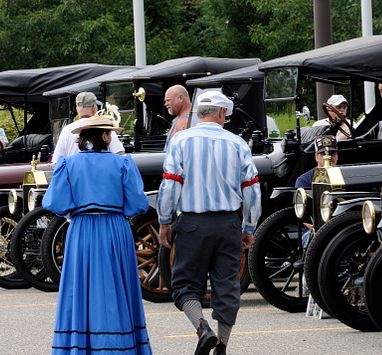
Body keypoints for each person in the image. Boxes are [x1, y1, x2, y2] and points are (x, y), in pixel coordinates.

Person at [158, 90, 261, 355]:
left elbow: (170, 185)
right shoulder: (238, 143)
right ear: (221, 113)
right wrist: (248, 227)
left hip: (192, 223)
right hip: (228, 224)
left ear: (199, 113)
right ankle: (222, 347)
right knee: (227, 287)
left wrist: (165, 221)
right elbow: (252, 189)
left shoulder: (181, 141)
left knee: (185, 285)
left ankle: (203, 329)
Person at [42, 115, 151, 354]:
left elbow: (55, 202)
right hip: (114, 228)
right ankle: (119, 347)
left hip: (81, 229)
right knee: (115, 285)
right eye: (110, 133)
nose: (112, 137)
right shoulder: (122, 164)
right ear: (103, 136)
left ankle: (81, 346)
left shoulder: (68, 165)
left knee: (81, 286)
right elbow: (138, 204)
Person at [51, 91, 125, 163]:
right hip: (102, 173)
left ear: (77, 108)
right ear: (94, 108)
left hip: (75, 173)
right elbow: (119, 155)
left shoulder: (67, 130)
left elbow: (57, 161)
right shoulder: (105, 126)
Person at [163, 85, 197, 150]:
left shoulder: (186, 121)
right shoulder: (187, 118)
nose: (166, 104)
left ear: (181, 98)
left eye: (168, 100)